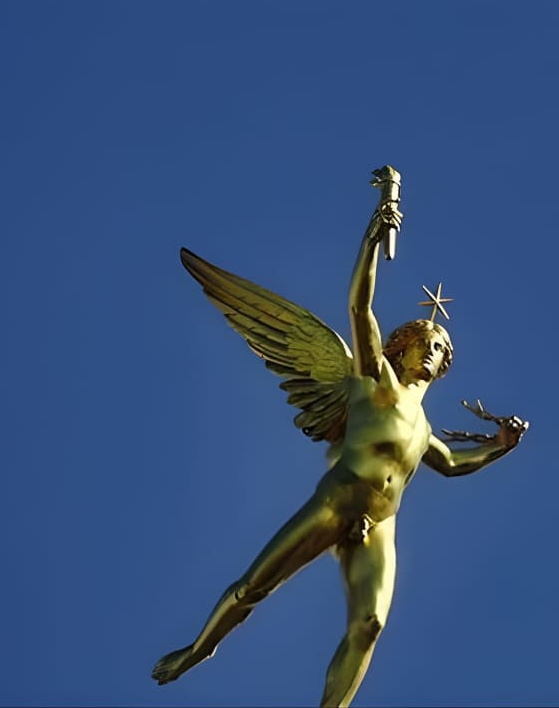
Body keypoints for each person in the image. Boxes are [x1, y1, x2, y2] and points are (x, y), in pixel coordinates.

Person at [152, 166, 529, 707]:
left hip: (380, 527)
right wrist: (375, 233)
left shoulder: (423, 427)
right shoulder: (373, 380)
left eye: (442, 350)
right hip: (337, 501)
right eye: (426, 342)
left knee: (369, 626)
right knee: (253, 586)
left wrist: (498, 448)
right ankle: (199, 649)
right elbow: (359, 306)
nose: (433, 353)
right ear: (403, 345)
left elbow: (451, 463)